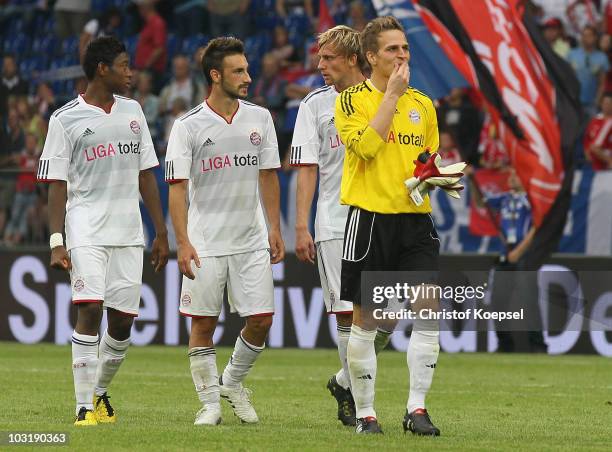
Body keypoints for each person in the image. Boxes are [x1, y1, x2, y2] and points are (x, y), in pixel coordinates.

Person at [36, 36, 169, 426]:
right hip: (86, 228)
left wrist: (161, 231)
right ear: (101, 69)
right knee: (90, 309)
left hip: (128, 231)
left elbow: (147, 174)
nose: (131, 72)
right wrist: (57, 241)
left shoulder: (134, 111)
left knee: (123, 323)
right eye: (125, 65)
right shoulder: (65, 119)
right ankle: (82, 408)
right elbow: (56, 183)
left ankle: (97, 393)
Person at [165, 37, 284, 426]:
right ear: (215, 76)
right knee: (203, 324)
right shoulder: (187, 126)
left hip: (250, 240)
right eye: (239, 71)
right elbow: (178, 188)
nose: (248, 77)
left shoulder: (260, 118)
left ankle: (231, 382)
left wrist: (274, 228)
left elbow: (268, 175)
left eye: (247, 69)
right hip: (205, 242)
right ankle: (210, 405)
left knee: (262, 320)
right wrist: (182, 242)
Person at [334, 16, 442, 435]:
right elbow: (364, 147)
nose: (402, 55)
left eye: (405, 48)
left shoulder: (423, 105)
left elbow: (424, 162)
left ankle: (417, 409)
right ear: (371, 56)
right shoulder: (351, 100)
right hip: (370, 219)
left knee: (428, 311)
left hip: (415, 220)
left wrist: (438, 176)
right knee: (368, 321)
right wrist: (391, 97)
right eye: (393, 49)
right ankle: (365, 414)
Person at [290, 25, 392, 427]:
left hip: (382, 217)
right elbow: (308, 168)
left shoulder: (385, 98)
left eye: (328, 58)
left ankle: (342, 380)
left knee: (386, 317)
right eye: (319, 58)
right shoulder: (314, 105)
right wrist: (301, 225)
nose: (320, 66)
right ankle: (360, 403)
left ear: (354, 59)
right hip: (334, 222)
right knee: (348, 315)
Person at [583, 91, 612, 170]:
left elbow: (595, 147)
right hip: (595, 161)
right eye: (605, 103)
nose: (607, 106)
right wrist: (587, 154)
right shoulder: (595, 120)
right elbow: (587, 139)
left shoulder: (610, 122)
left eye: (609, 103)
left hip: (607, 156)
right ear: (601, 104)